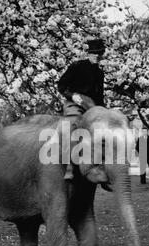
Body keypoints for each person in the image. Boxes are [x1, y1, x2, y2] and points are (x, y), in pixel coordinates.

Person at [57, 38, 106, 181]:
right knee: (72, 124)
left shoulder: (100, 73)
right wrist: (72, 96)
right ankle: (69, 165)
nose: (97, 56)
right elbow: (62, 86)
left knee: (104, 129)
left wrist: (103, 112)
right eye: (94, 53)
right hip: (75, 103)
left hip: (92, 106)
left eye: (99, 53)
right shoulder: (76, 66)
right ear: (88, 53)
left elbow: (100, 97)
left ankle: (102, 168)